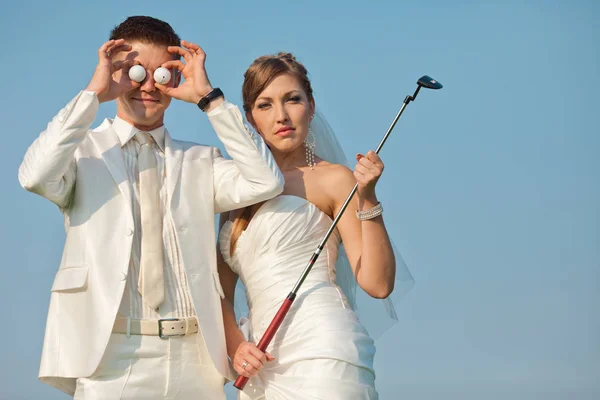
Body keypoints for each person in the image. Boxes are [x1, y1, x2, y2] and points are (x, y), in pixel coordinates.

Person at [18, 16, 283, 400]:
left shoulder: (200, 160)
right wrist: (93, 94)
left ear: (174, 81)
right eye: (136, 71)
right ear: (116, 71)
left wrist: (210, 100)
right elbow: (33, 176)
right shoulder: (81, 154)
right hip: (111, 358)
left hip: (196, 357)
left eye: (161, 75)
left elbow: (265, 181)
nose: (147, 85)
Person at [217, 52, 412, 400]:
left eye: (292, 99)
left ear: (311, 106)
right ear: (250, 117)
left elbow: (378, 284)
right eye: (265, 105)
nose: (281, 115)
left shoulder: (334, 180)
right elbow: (220, 292)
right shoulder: (234, 189)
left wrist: (368, 198)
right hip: (261, 363)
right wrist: (236, 347)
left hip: (324, 349)